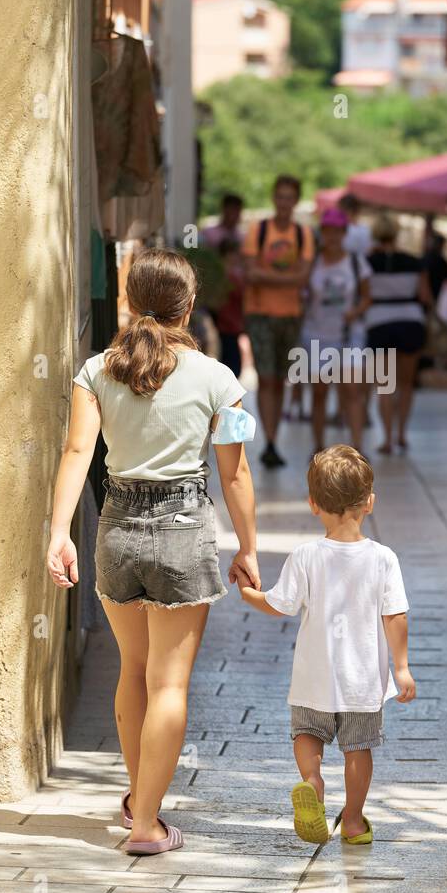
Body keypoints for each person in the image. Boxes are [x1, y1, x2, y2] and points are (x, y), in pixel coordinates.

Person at [46, 248, 259, 856]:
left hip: (115, 527)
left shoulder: (94, 372)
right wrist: (247, 546)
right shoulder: (221, 379)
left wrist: (60, 532)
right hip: (184, 530)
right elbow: (236, 474)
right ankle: (145, 824)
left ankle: (140, 798)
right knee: (170, 684)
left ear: (129, 303)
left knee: (132, 670)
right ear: (189, 306)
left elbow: (75, 454)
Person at [234, 445, 415, 845]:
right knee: (358, 747)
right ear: (369, 502)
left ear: (313, 504)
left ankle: (312, 781)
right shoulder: (384, 559)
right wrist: (400, 668)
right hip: (362, 680)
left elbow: (279, 605)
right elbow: (395, 616)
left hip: (314, 676)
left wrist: (248, 594)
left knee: (307, 732)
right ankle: (352, 820)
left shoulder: (305, 556)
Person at [242, 175, 315, 468]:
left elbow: (304, 276)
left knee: (281, 379)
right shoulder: (258, 231)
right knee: (266, 377)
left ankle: (273, 438)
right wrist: (287, 279)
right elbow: (251, 273)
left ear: (295, 201)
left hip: (291, 314)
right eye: (280, 196)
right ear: (274, 199)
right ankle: (270, 440)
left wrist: (269, 277)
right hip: (259, 312)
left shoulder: (303, 234)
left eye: (289, 197)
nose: (284, 202)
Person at [300, 207, 371, 455]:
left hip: (349, 334)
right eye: (327, 231)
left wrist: (355, 311)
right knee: (319, 392)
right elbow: (303, 292)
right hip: (317, 334)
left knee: (351, 389)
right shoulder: (313, 263)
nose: (332, 237)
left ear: (344, 233)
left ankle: (357, 447)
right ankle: (317, 446)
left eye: (337, 232)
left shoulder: (355, 261)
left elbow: (367, 297)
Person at [365, 213, 432, 454]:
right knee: (406, 383)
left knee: (385, 385)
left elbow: (363, 295)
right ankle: (403, 432)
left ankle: (387, 438)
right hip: (410, 321)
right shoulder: (415, 261)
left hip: (378, 322)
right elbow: (425, 296)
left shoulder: (366, 262)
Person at [214, 237, 246, 377]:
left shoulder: (227, 275)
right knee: (231, 370)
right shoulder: (230, 277)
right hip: (225, 328)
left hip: (230, 328)